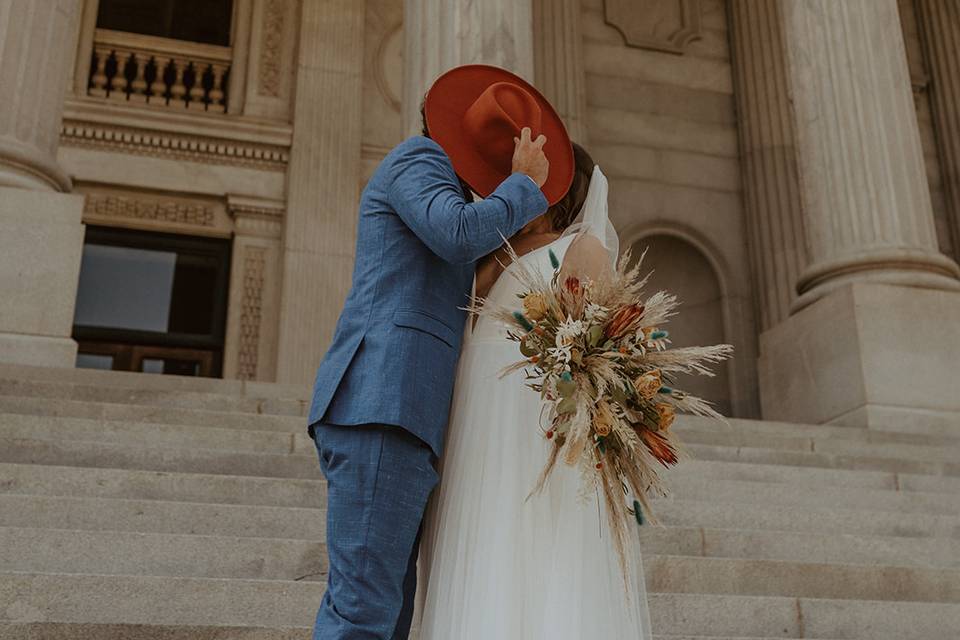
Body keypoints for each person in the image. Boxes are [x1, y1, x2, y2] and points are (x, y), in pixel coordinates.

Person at [305, 64, 575, 640]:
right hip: (383, 403)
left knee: (390, 613)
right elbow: (452, 232)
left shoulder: (449, 193)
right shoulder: (418, 160)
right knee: (364, 610)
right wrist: (524, 186)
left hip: (407, 416)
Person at [417, 153, 655, 638]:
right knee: (476, 549)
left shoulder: (578, 247)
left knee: (529, 554)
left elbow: (590, 351)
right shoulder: (483, 252)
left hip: (528, 426)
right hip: (472, 429)